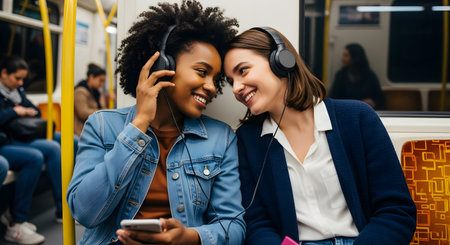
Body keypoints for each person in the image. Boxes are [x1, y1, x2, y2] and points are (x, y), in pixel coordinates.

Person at [67, 1, 245, 245]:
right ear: (164, 66)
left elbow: (232, 226)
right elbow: (85, 212)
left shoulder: (221, 138)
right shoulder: (102, 126)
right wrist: (138, 125)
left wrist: (190, 237)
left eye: (216, 78)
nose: (212, 87)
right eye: (202, 72)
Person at [223, 27, 416, 244]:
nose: (236, 88)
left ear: (281, 61)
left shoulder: (357, 118)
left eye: (243, 71)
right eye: (231, 81)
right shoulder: (247, 140)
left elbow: (396, 211)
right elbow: (258, 224)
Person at [0, 55, 63, 244]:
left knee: (55, 146)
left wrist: (23, 109)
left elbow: (34, 110)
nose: (20, 83)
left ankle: (62, 207)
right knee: (35, 157)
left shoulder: (17, 91)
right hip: (7, 140)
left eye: (22, 79)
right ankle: (17, 219)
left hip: (17, 136)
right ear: (4, 73)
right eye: (16, 78)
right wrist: (14, 111)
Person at [328, 43, 385, 110]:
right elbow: (334, 98)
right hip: (346, 111)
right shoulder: (341, 75)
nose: (342, 59)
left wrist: (373, 102)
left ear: (355, 58)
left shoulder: (370, 76)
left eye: (345, 56)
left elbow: (380, 99)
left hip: (365, 112)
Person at [74, 63, 116, 136]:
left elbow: (100, 107)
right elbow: (83, 113)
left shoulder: (97, 93)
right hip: (81, 132)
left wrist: (107, 100)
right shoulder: (80, 92)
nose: (102, 84)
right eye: (100, 80)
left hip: (92, 132)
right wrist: (104, 112)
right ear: (91, 77)